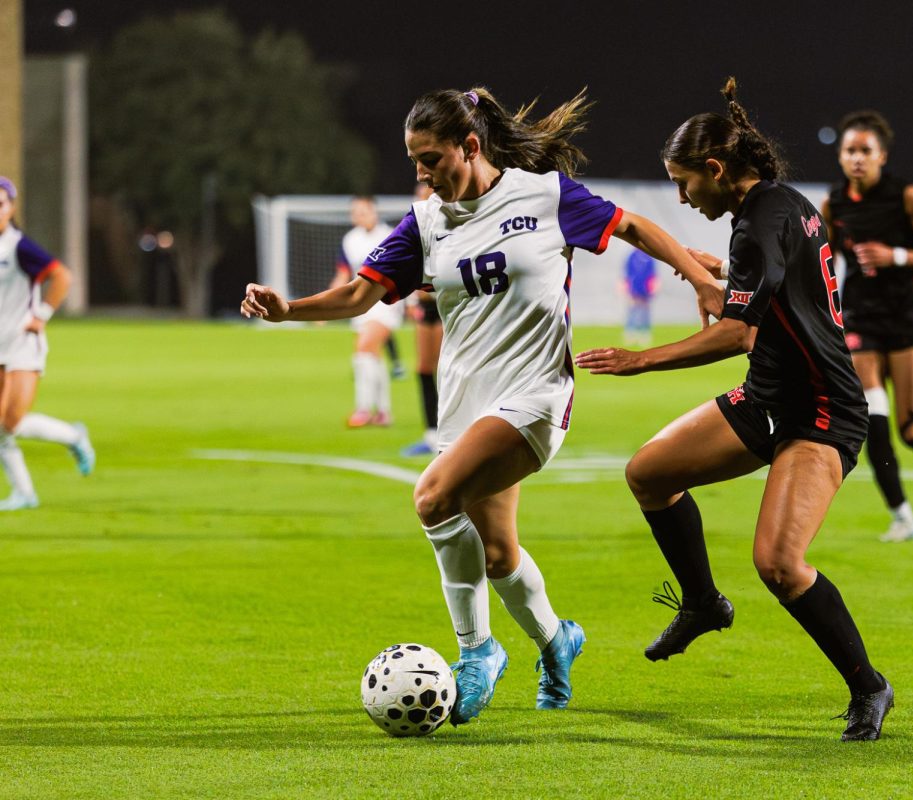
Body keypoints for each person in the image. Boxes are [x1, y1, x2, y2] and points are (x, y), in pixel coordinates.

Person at [241, 87, 725, 725]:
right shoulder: (425, 222)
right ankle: (558, 641)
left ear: (471, 147)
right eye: (414, 159)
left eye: (432, 157)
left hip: (534, 398)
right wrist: (289, 310)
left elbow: (631, 224)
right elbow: (361, 296)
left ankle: (477, 652)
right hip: (465, 404)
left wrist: (697, 274)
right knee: (497, 555)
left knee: (433, 497)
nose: (422, 172)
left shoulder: (544, 196)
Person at [576, 78, 893, 742]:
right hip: (770, 398)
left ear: (716, 170)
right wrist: (723, 282)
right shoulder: (781, 206)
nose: (684, 196)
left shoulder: (760, 222)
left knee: (779, 563)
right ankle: (700, 602)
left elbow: (738, 333)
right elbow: (770, 294)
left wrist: (641, 359)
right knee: (649, 475)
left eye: (685, 182)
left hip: (823, 410)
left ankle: (869, 687)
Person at [821, 110, 913, 543]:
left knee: (910, 426)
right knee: (870, 423)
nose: (857, 159)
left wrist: (893, 255)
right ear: (840, 157)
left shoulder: (906, 196)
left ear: (882, 156)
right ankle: (902, 516)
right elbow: (818, 261)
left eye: (865, 151)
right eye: (849, 151)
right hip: (860, 320)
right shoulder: (833, 204)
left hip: (907, 318)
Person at [0, 176, 96, 511]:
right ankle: (25, 493)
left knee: (9, 422)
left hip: (21, 345)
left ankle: (73, 437)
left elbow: (62, 276)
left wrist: (41, 314)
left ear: (11, 208)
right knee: (0, 426)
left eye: (0, 204)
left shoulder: (19, 246)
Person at [327, 195, 405, 427]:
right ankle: (383, 412)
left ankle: (362, 409)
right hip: (360, 305)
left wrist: (410, 303)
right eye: (355, 212)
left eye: (362, 211)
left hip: (386, 303)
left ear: (374, 212)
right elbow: (343, 274)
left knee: (363, 349)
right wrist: (327, 303)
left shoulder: (389, 235)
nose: (358, 216)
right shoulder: (350, 240)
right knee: (373, 355)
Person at [400, 183, 443, 456]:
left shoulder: (453, 225)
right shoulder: (418, 228)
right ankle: (431, 435)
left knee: (450, 369)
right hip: (426, 308)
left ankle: (455, 433)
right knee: (424, 369)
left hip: (448, 306)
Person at [622, 248, 658, 346]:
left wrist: (654, 287)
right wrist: (625, 287)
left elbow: (653, 274)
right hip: (634, 289)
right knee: (632, 311)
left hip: (645, 290)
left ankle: (644, 333)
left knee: (645, 313)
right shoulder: (632, 256)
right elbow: (626, 274)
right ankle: (631, 333)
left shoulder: (649, 257)